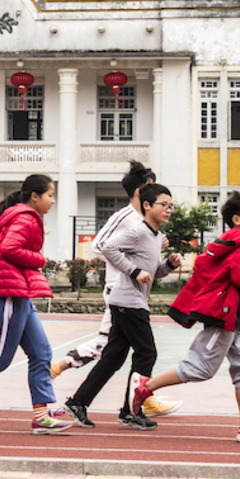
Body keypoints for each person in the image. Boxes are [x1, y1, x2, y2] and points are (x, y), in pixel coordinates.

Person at [137, 192, 240, 443]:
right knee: (200, 367)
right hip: (223, 315)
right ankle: (146, 387)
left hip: (230, 314)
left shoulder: (225, 242)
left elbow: (210, 269)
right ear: (237, 219)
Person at [51, 160, 181, 418]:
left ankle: (83, 399)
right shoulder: (127, 218)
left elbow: (149, 262)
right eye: (154, 192)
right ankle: (136, 402)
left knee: (114, 351)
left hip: (134, 290)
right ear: (141, 194)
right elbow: (101, 246)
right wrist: (131, 268)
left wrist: (159, 258)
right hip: (121, 290)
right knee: (137, 350)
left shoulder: (150, 227)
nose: (163, 203)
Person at [0, 174, 73, 435]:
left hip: (18, 292)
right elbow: (10, 248)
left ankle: (41, 416)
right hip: (6, 292)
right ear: (34, 196)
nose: (52, 201)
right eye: (50, 195)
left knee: (41, 353)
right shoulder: (25, 216)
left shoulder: (22, 215)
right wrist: (39, 259)